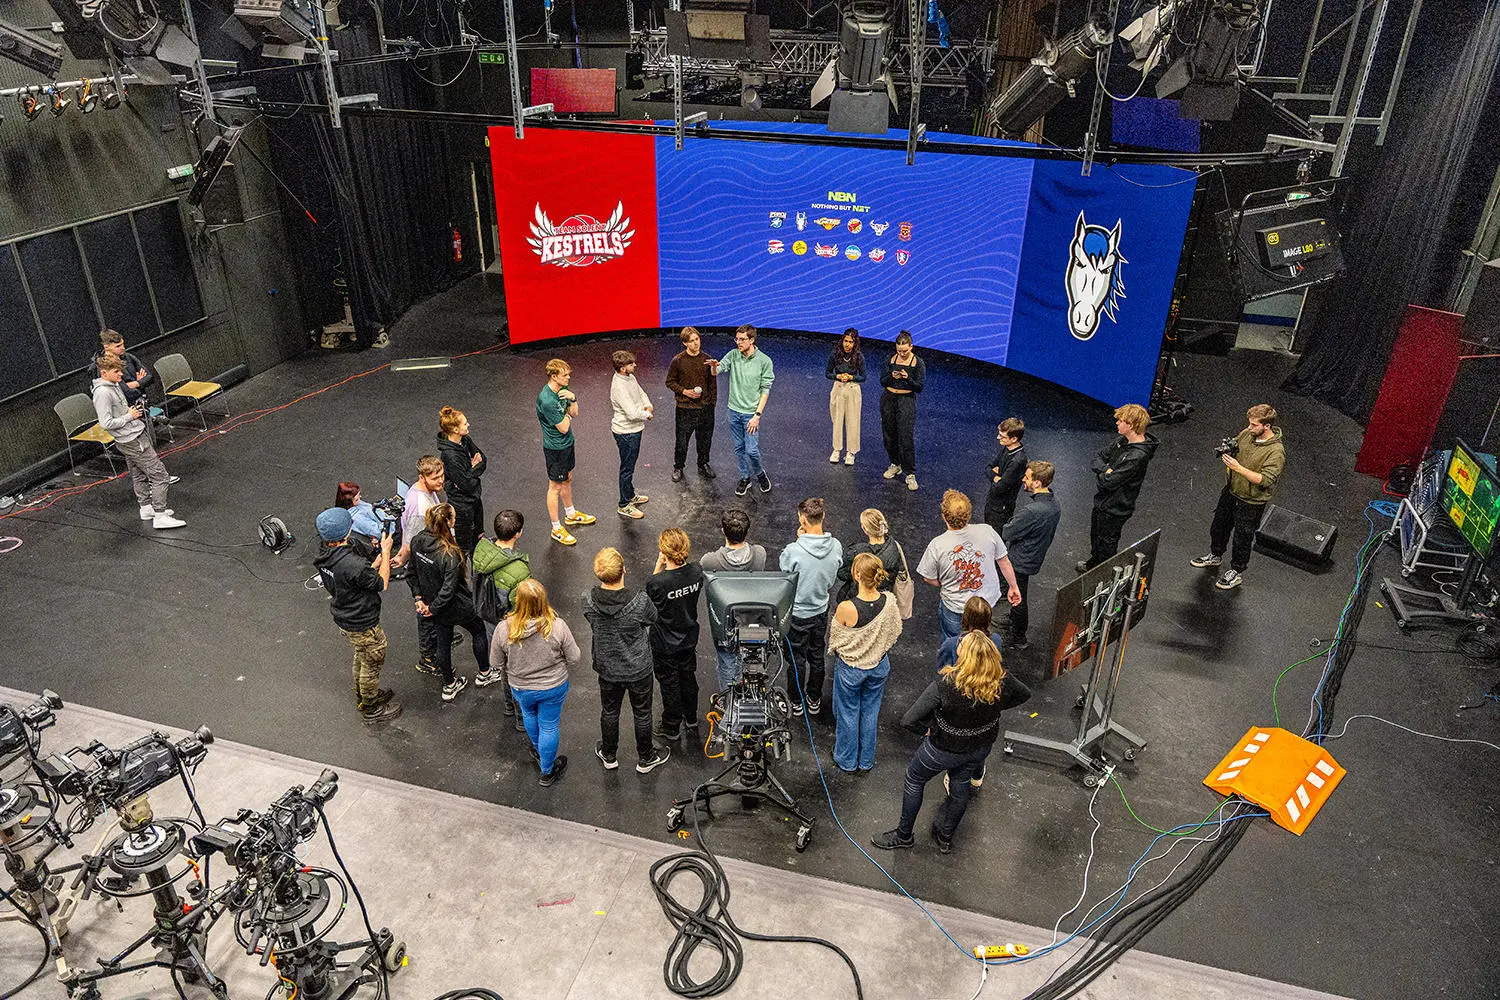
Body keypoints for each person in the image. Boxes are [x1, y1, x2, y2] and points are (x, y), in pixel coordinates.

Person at [872, 632, 1031, 854]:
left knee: (914, 780)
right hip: (979, 748)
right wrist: (996, 707)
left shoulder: (946, 683)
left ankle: (904, 835)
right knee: (960, 787)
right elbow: (1025, 694)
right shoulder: (1000, 680)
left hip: (942, 748)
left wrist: (927, 730)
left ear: (964, 656)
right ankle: (945, 838)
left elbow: (908, 720)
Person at [582, 547, 672, 774]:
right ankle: (646, 757)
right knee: (642, 713)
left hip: (607, 668)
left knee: (609, 712)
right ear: (624, 570)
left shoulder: (587, 600)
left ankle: (609, 754)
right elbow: (653, 617)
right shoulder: (639, 602)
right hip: (638, 668)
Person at [313, 506, 402, 724]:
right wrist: (387, 551)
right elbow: (381, 583)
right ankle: (371, 708)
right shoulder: (353, 564)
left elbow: (353, 578)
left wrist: (373, 564)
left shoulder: (326, 554)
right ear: (348, 531)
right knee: (372, 660)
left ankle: (364, 694)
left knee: (361, 657)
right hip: (363, 620)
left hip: (345, 616)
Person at [486, 579, 577, 787]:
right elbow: (575, 657)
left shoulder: (503, 629)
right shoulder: (557, 626)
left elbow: (495, 662)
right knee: (549, 726)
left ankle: (538, 749)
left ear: (518, 602)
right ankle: (547, 770)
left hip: (521, 688)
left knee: (529, 716)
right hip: (553, 686)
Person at [1190, 404, 1286, 591]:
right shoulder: (1247, 434)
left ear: (1267, 426)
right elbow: (1236, 442)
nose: (1249, 428)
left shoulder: (1276, 452)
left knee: (1242, 536)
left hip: (1251, 500)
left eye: (1254, 425)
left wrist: (1237, 467)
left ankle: (1236, 571)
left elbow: (1264, 480)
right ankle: (1215, 555)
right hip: (1232, 491)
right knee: (1219, 526)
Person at [828, 553, 903, 772]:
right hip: (878, 667)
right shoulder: (889, 602)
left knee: (848, 713)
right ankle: (866, 761)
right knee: (870, 712)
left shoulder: (846, 608)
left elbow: (836, 640)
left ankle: (847, 760)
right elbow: (895, 630)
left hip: (851, 670)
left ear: (858, 575)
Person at [90, 353, 184, 529]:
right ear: (104, 372)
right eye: (117, 371)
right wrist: (128, 416)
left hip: (133, 435)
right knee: (160, 476)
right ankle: (160, 515)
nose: (121, 375)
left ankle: (146, 507)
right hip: (131, 440)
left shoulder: (114, 385)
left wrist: (129, 413)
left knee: (139, 473)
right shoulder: (102, 393)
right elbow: (105, 423)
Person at [917, 489, 1022, 642]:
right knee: (982, 639)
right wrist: (1013, 586)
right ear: (969, 514)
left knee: (953, 641)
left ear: (944, 517)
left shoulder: (937, 545)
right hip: (984, 606)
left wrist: (943, 583)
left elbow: (929, 578)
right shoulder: (987, 531)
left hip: (956, 607)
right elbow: (1004, 561)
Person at [409, 504, 487, 702]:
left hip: (433, 607)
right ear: (450, 522)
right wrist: (432, 608)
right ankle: (485, 673)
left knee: (443, 644)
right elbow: (449, 589)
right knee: (478, 630)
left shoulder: (417, 541)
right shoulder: (450, 554)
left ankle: (449, 685)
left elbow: (412, 573)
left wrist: (421, 601)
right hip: (455, 605)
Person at [779, 497, 843, 715]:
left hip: (797, 613)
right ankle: (814, 698)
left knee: (796, 660)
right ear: (822, 516)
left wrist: (799, 541)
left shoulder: (793, 550)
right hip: (820, 610)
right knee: (817, 655)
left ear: (802, 519)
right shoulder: (835, 546)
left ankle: (796, 700)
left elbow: (785, 572)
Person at [1079, 403, 1159, 573]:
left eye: (1121, 421)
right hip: (1103, 502)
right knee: (1096, 538)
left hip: (1116, 508)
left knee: (1107, 544)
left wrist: (1105, 473)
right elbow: (1098, 457)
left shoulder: (1137, 456)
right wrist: (1105, 470)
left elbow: (1108, 482)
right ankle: (1094, 565)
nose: (1117, 423)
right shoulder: (1122, 441)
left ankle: (1105, 575)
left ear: (1131, 425)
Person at [646, 528, 705, 744]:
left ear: (663, 552)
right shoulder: (697, 572)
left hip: (665, 642)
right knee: (688, 676)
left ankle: (671, 726)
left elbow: (649, 607)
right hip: (689, 636)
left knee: (670, 683)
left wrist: (658, 567)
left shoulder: (658, 583)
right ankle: (691, 718)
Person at [700, 507, 769, 691]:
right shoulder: (760, 554)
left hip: (725, 624)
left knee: (726, 662)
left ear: (723, 531)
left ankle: (728, 700)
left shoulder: (710, 561)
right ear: (747, 531)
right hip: (752, 622)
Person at [473, 508, 532, 724]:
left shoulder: (482, 549)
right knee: (515, 669)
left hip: (488, 616)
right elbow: (520, 604)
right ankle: (519, 716)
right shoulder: (519, 570)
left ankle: (508, 706)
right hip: (509, 622)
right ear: (518, 533)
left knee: (503, 667)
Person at [393, 455, 446, 676]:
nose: (441, 481)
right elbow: (412, 544)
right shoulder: (419, 507)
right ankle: (428, 657)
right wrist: (402, 560)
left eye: (442, 475)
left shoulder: (424, 492)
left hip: (431, 559)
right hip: (424, 568)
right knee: (426, 611)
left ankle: (443, 632)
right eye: (436, 478)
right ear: (422, 477)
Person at [708, 324, 775, 497]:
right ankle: (745, 477)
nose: (738, 342)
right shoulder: (733, 355)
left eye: (742, 339)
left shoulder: (764, 361)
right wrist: (715, 366)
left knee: (751, 450)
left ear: (752, 340)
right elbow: (717, 371)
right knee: (739, 447)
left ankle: (760, 474)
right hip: (733, 411)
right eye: (737, 339)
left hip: (751, 414)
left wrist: (757, 416)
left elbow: (765, 390)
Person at [1001, 462, 1061, 650]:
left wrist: (1012, 523)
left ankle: (1018, 637)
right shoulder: (1053, 503)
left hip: (1021, 560)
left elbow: (1007, 532)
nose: (1023, 480)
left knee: (1018, 596)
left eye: (1027, 477)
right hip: (1034, 555)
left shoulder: (1031, 511)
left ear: (1036, 483)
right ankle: (1014, 621)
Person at [536, 359, 596, 546]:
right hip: (555, 448)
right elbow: (563, 426)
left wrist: (573, 399)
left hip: (567, 444)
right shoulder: (547, 400)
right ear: (554, 376)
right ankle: (556, 528)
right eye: (565, 375)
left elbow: (575, 413)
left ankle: (570, 514)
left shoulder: (561, 392)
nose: (569, 377)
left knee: (567, 478)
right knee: (555, 487)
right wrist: (568, 411)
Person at [664, 326, 717, 481]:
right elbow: (670, 382)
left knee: (705, 439)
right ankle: (678, 467)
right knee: (682, 440)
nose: (696, 343)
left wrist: (712, 403)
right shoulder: (678, 361)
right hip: (685, 408)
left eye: (697, 339)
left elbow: (712, 383)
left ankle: (703, 463)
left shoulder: (707, 359)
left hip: (705, 408)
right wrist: (685, 391)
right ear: (685, 343)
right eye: (692, 341)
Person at [609, 350, 654, 519]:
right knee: (627, 468)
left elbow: (641, 393)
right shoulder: (619, 386)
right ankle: (624, 504)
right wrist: (647, 414)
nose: (634, 365)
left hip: (634, 430)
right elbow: (631, 413)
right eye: (630, 364)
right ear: (622, 368)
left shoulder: (630, 377)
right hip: (626, 433)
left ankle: (630, 495)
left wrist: (648, 405)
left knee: (630, 465)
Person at [436, 406, 487, 553]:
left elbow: (483, 459)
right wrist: (473, 467)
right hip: (462, 505)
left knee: (478, 532)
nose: (468, 424)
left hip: (474, 498)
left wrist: (470, 469)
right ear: (456, 430)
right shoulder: (450, 456)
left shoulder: (465, 440)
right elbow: (466, 485)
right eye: (465, 423)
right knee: (465, 545)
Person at [879, 330, 925, 492]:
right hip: (889, 398)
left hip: (906, 401)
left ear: (911, 347)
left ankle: (910, 473)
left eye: (905, 350)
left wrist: (907, 378)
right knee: (889, 435)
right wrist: (892, 376)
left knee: (905, 437)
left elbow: (919, 387)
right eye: (899, 350)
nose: (902, 353)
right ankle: (895, 464)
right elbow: (882, 381)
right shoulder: (890, 360)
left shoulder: (917, 363)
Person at [835, 508, 902, 604]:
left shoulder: (857, 552)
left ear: (865, 529)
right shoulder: (894, 547)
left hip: (857, 596)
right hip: (882, 598)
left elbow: (841, 573)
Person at [827, 328, 866, 466]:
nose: (847, 344)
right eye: (845, 341)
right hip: (838, 388)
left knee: (852, 421)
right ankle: (836, 449)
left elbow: (863, 377)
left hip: (852, 389)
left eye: (850, 342)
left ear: (855, 343)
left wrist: (851, 377)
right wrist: (837, 376)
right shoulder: (835, 354)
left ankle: (851, 452)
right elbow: (827, 373)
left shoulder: (859, 357)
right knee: (837, 420)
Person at [983, 418, 1028, 534]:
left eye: (1002, 436)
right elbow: (988, 467)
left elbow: (1000, 488)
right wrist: (996, 477)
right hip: (993, 503)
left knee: (996, 539)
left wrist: (995, 476)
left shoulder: (1017, 461)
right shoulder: (1007, 448)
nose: (998, 438)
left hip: (1001, 510)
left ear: (1014, 439)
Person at [88, 329, 153, 408]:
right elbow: (125, 393)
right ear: (106, 347)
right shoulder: (103, 366)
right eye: (118, 346)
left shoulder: (128, 357)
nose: (123, 348)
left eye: (123, 344)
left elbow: (150, 377)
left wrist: (135, 383)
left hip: (140, 403)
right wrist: (140, 383)